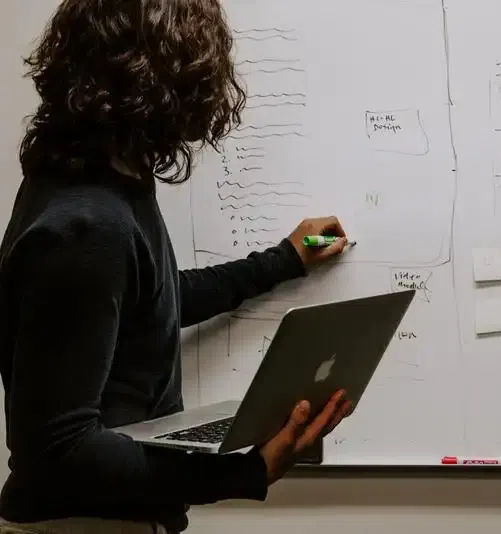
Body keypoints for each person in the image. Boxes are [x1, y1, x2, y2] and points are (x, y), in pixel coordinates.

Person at [0, 1, 353, 533]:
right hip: (83, 525)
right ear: (169, 83)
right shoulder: (85, 223)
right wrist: (248, 472)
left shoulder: (104, 185)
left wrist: (284, 260)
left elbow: (151, 302)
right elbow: (58, 451)